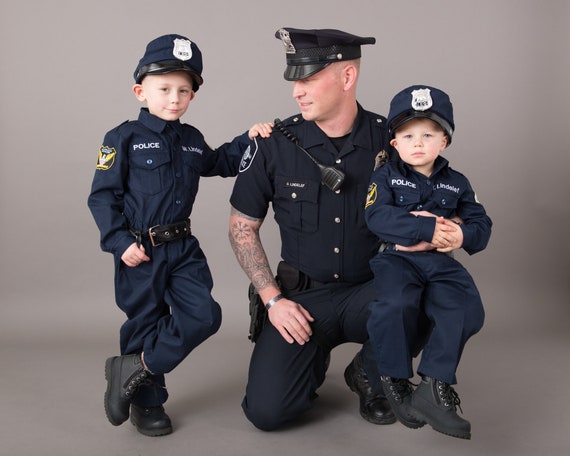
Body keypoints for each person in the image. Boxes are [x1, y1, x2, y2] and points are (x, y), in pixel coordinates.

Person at [228, 27, 427, 431]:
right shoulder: (273, 143)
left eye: (307, 80)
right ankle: (308, 362)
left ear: (346, 77)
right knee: (267, 413)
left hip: (370, 292)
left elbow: (433, 202)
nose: (296, 92)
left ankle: (371, 374)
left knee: (434, 283)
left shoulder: (392, 141)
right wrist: (272, 301)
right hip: (301, 301)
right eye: (294, 82)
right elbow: (241, 228)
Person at [87, 33, 272, 436]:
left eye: (184, 91)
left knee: (204, 316)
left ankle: (133, 368)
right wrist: (120, 244)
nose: (174, 98)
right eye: (165, 88)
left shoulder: (190, 140)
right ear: (141, 90)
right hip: (142, 249)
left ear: (192, 96)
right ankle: (147, 403)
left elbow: (220, 161)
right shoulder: (122, 139)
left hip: (183, 248)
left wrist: (250, 139)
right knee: (145, 323)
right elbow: (102, 199)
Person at [364, 85, 492, 439]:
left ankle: (433, 386)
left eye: (428, 134)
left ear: (445, 141)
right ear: (394, 143)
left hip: (440, 262)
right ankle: (395, 379)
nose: (417, 142)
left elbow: (482, 225)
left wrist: (461, 236)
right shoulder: (385, 176)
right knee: (396, 305)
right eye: (407, 135)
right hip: (397, 260)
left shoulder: (458, 183)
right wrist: (427, 226)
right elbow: (377, 217)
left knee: (466, 308)